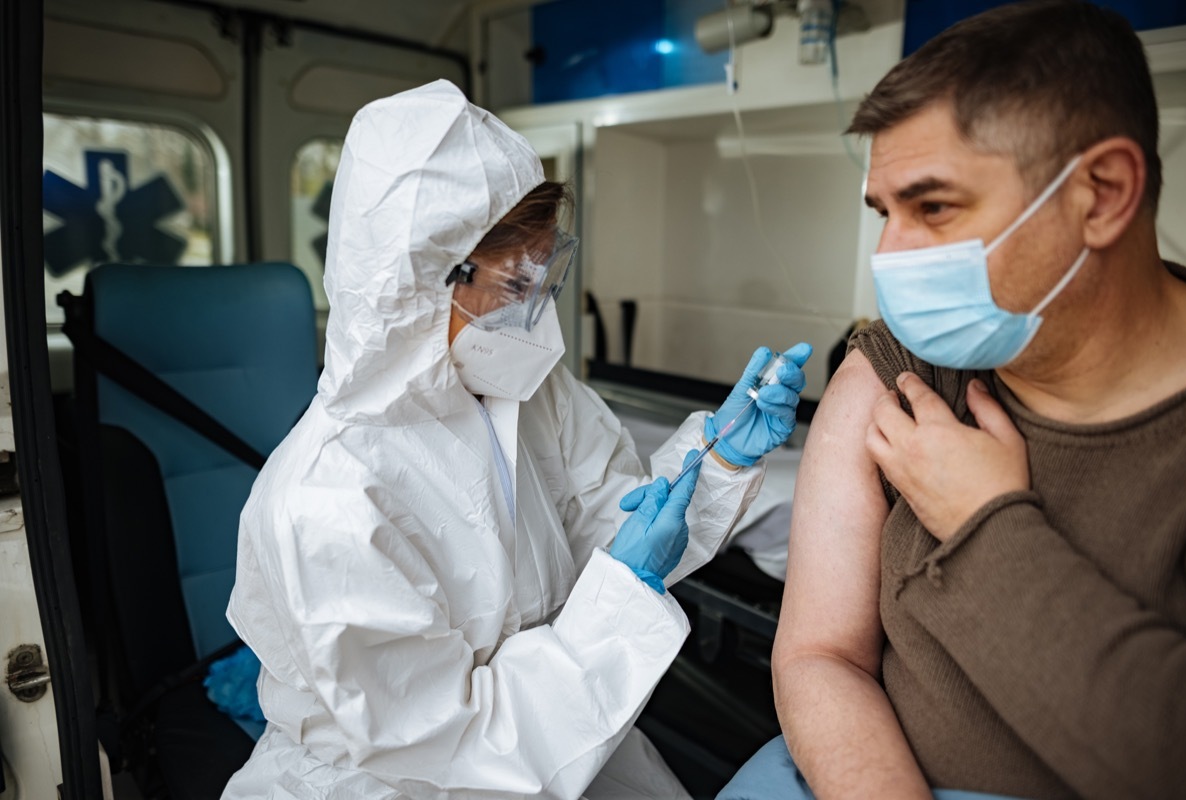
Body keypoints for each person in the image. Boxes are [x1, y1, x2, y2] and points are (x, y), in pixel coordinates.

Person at [220, 79, 812, 799]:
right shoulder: (329, 498)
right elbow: (460, 739)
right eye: (514, 286)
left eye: (545, 275)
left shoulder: (526, 392)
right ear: (420, 281)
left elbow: (622, 534)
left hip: (563, 735)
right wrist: (623, 588)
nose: (537, 317)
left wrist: (718, 462)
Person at [721, 2, 1186, 799]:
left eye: (933, 207)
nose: (889, 256)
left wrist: (983, 525)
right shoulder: (898, 372)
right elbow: (818, 656)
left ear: (1103, 193)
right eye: (885, 213)